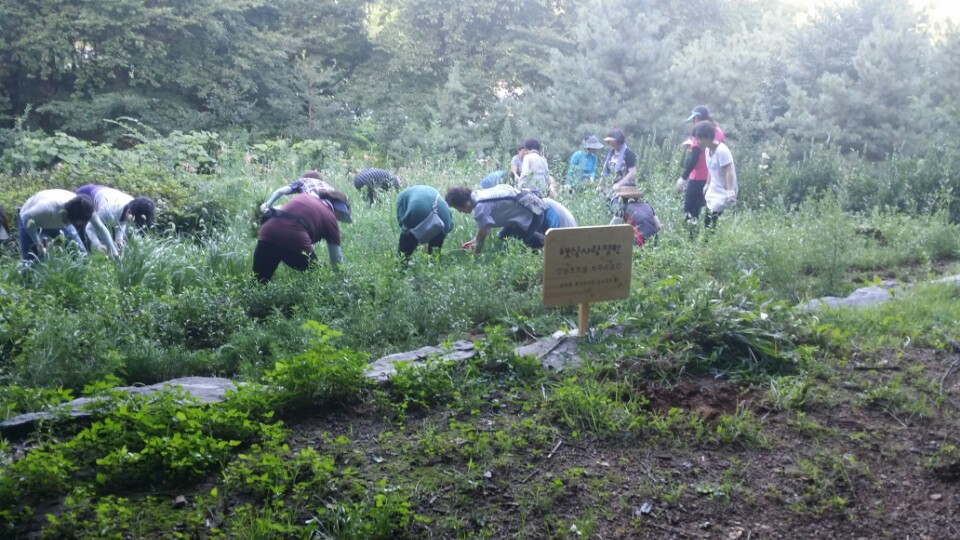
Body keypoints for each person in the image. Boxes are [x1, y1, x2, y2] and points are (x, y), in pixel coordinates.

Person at [252, 192, 344, 283]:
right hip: (295, 240)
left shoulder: (304, 197)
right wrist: (341, 282)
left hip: (268, 232)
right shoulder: (331, 217)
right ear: (339, 209)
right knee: (318, 276)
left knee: (257, 282)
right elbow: (336, 262)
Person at [445, 184, 557, 254]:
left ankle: (550, 248)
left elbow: (481, 236)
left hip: (533, 214)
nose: (460, 212)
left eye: (458, 209)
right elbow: (484, 231)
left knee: (511, 248)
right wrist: (474, 241)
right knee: (500, 240)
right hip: (527, 209)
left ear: (464, 204)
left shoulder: (480, 206)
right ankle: (547, 244)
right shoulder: (478, 195)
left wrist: (475, 255)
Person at [17, 189, 108, 263]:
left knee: (80, 252)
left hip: (57, 219)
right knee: (30, 261)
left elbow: (100, 228)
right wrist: (37, 242)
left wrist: (114, 251)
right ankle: (27, 283)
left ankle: (80, 280)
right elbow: (26, 218)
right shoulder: (46, 208)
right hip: (30, 220)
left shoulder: (85, 209)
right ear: (66, 214)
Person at [677, 106, 725, 226]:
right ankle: (707, 239)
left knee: (690, 211)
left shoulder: (698, 132)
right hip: (712, 177)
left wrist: (683, 178)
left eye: (694, 119)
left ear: (697, 119)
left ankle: (691, 238)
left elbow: (695, 157)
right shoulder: (718, 132)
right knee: (710, 210)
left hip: (697, 178)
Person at [75, 185, 154, 253]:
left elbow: (122, 220)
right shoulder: (108, 211)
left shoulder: (133, 207)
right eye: (133, 220)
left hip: (104, 193)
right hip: (84, 195)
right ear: (129, 212)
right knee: (82, 236)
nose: (132, 223)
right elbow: (89, 228)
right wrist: (97, 244)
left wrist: (119, 239)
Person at [694, 121, 738, 228]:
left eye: (700, 139)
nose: (698, 142)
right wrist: (707, 184)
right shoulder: (707, 150)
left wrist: (730, 190)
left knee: (711, 219)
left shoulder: (722, 151)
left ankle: (708, 240)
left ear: (708, 138)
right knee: (708, 216)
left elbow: (729, 171)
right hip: (714, 187)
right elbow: (711, 169)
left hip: (724, 189)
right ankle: (709, 239)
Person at [396, 185, 455, 257]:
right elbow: (449, 226)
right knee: (434, 251)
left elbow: (403, 224)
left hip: (417, 208)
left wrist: (415, 241)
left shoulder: (402, 196)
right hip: (444, 213)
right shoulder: (429, 189)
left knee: (406, 245)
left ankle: (403, 262)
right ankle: (433, 261)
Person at [261, 170, 335, 213]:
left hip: (311, 206)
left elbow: (280, 192)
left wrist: (267, 204)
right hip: (329, 211)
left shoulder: (303, 181)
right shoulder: (329, 186)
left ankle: (269, 211)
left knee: (283, 212)